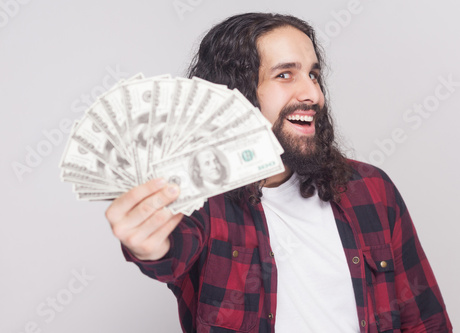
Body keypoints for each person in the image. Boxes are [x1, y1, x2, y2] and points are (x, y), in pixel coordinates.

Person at [105, 13, 452, 332]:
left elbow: (425, 320)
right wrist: (149, 245)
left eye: (313, 75)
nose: (313, 94)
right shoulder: (200, 199)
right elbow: (171, 252)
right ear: (234, 93)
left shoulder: (370, 189)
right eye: (285, 74)